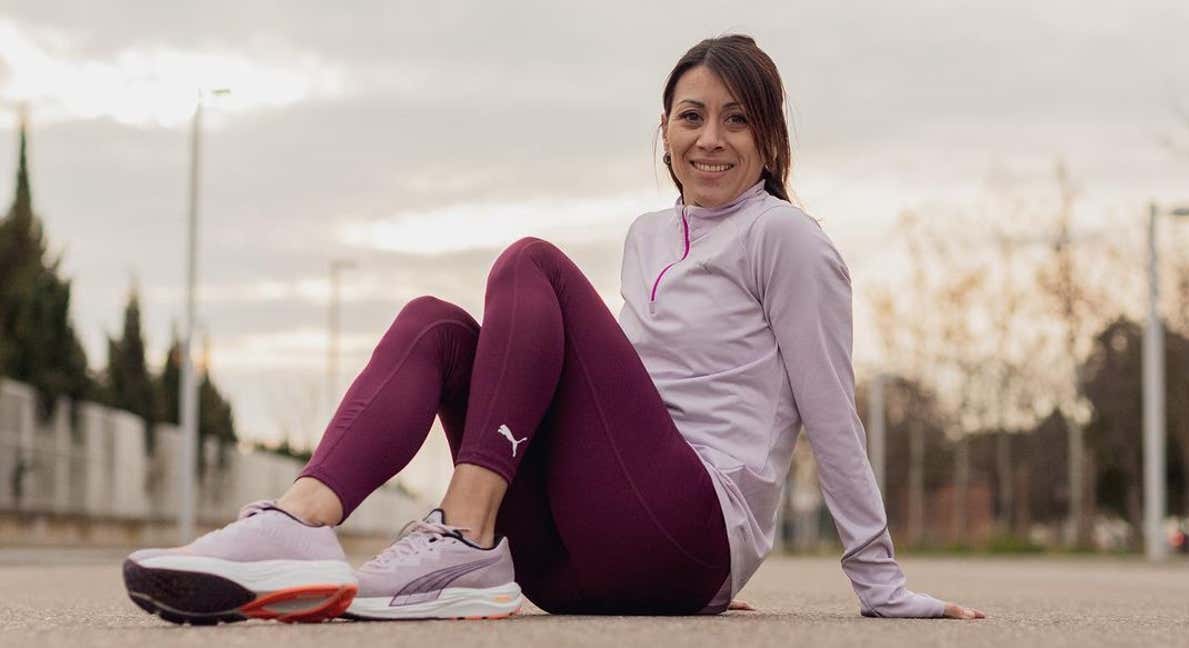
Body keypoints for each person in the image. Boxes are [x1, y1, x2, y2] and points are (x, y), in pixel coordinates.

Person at [123, 34, 985, 624]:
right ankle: (299, 523)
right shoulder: (649, 236)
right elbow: (605, 405)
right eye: (691, 116)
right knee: (438, 326)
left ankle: (461, 535)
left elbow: (832, 414)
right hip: (572, 563)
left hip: (686, 531)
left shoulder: (788, 240)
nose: (710, 138)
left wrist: (878, 583)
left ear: (771, 136)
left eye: (737, 118)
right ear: (664, 130)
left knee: (528, 262)